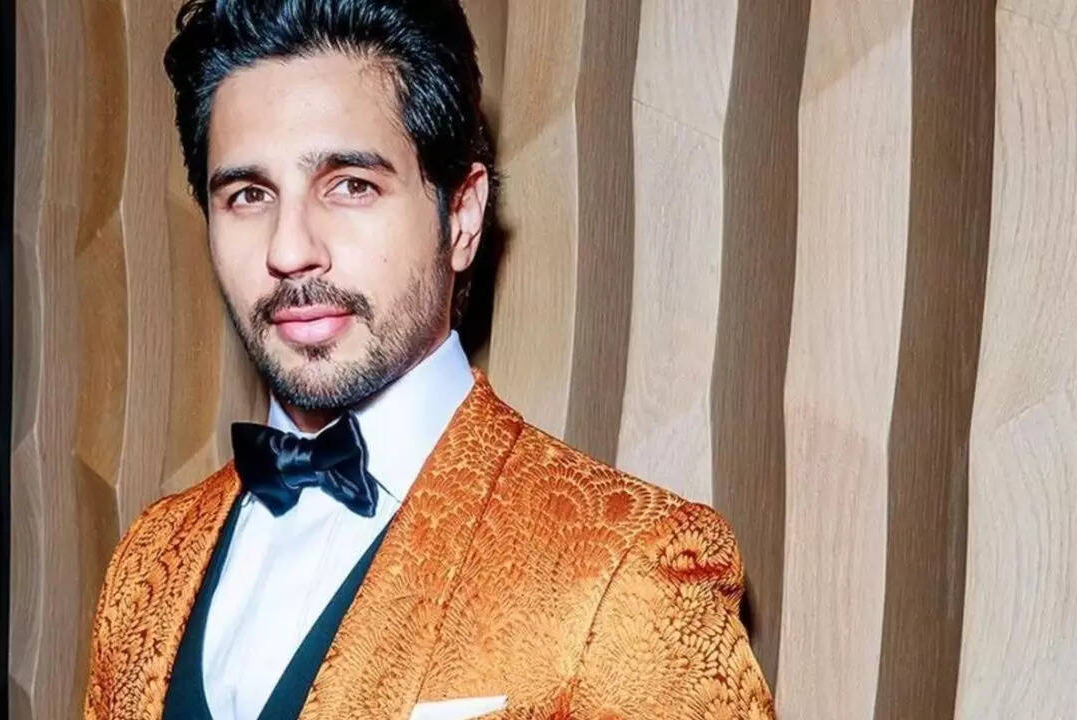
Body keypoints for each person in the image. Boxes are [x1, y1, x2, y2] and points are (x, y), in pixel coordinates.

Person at [85, 1, 774, 718]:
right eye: (248, 195)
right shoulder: (146, 562)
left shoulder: (629, 568)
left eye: (351, 185)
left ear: (463, 216)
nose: (288, 250)